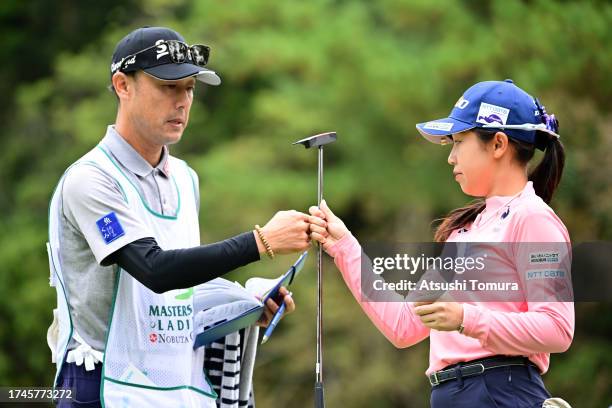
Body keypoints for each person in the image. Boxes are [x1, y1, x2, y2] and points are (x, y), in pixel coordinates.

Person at [47, 26, 310, 408]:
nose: (183, 101)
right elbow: (155, 271)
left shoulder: (186, 179)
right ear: (123, 85)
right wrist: (260, 242)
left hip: (171, 381)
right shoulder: (91, 179)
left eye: (189, 88)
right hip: (99, 383)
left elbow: (177, 293)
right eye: (167, 87)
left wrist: (241, 308)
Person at [308, 80, 575, 407]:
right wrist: (344, 246)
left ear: (498, 144)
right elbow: (404, 325)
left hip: (499, 390)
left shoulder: (533, 219)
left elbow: (557, 328)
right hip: (449, 394)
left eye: (459, 142)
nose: (451, 157)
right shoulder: (464, 232)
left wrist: (466, 318)